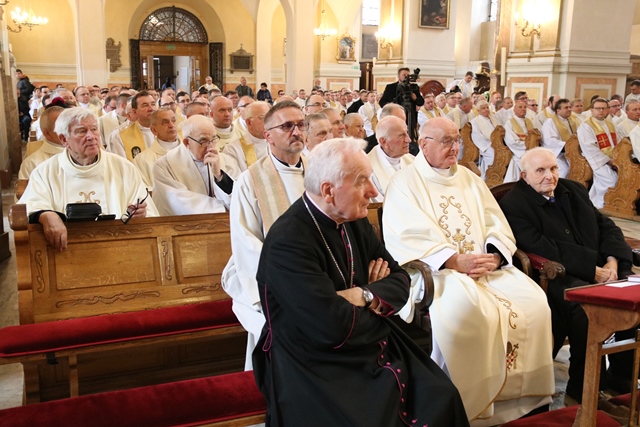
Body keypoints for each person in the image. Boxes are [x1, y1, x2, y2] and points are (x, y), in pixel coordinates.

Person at [253, 137, 469, 427]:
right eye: (361, 182)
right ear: (328, 191)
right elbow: (332, 326)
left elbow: (400, 280)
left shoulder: (353, 218)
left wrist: (363, 296)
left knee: (443, 396)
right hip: (312, 357)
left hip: (367, 342)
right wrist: (377, 303)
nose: (373, 191)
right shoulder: (288, 242)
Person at [382, 117, 554, 426]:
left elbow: (495, 221)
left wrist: (494, 255)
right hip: (440, 273)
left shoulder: (469, 179)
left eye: (457, 140)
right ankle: (470, 402)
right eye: (446, 141)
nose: (454, 147)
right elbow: (405, 235)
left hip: (485, 268)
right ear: (424, 145)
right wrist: (452, 261)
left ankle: (527, 397)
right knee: (469, 311)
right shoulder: (405, 182)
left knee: (535, 301)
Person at [498, 147, 636, 404]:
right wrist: (592, 271)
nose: (549, 176)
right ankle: (582, 391)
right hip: (555, 276)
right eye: (540, 170)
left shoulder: (574, 190)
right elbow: (542, 247)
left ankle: (622, 376)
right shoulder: (513, 204)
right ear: (524, 175)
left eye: (553, 168)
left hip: (603, 267)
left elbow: (606, 226)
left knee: (634, 297)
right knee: (585, 311)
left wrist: (613, 260)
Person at [221, 100, 308, 369]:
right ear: (268, 136)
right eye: (287, 126)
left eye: (301, 125)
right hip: (266, 273)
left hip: (316, 274)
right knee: (281, 323)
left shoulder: (320, 171)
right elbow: (246, 240)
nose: (296, 131)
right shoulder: (250, 181)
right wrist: (290, 275)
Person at [19, 108, 157, 252]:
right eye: (81, 131)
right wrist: (47, 215)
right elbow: (30, 206)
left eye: (94, 129)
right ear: (64, 139)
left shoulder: (124, 168)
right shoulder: (45, 172)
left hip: (118, 249)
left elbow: (148, 212)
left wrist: (139, 214)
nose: (91, 136)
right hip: (64, 252)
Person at [152, 115, 235, 216]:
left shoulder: (225, 160)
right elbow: (182, 203)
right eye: (203, 141)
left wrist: (219, 175)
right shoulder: (164, 166)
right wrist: (224, 208)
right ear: (187, 142)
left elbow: (239, 197)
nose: (210, 147)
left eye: (213, 139)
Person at [577, 97, 618, 208]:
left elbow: (617, 144)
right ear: (591, 110)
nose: (601, 111)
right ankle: (602, 205)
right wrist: (608, 161)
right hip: (597, 160)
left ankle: (594, 204)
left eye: (604, 108)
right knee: (611, 180)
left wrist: (618, 159)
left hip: (613, 160)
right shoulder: (586, 126)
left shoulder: (610, 124)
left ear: (608, 109)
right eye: (598, 108)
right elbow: (590, 148)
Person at [368, 116, 414, 202]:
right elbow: (376, 205)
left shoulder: (412, 160)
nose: (408, 140)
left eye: (407, 133)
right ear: (384, 142)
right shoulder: (368, 169)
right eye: (401, 136)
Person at [132, 108, 181, 188]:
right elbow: (143, 190)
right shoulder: (142, 160)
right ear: (154, 130)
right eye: (165, 122)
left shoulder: (191, 152)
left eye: (173, 120)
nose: (171, 125)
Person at [18, 106, 66, 179]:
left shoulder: (81, 154)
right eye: (62, 127)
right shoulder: (32, 163)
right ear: (47, 133)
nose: (69, 131)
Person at [107, 91, 157, 160]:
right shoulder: (119, 136)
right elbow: (120, 164)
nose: (151, 109)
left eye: (153, 104)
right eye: (145, 105)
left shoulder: (166, 129)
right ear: (134, 112)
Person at [223, 101, 270, 172]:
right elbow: (235, 177)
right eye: (263, 118)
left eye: (271, 118)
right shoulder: (232, 150)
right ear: (249, 122)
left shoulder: (278, 144)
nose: (270, 122)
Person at [541, 98, 582, 178]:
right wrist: (567, 145)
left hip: (571, 152)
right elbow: (550, 141)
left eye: (570, 107)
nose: (569, 109)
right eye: (566, 107)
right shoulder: (550, 122)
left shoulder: (573, 121)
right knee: (565, 169)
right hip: (556, 153)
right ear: (558, 110)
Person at [503, 99, 534, 182]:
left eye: (524, 107)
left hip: (531, 149)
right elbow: (511, 141)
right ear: (514, 110)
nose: (523, 109)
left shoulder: (529, 121)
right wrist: (527, 146)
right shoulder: (509, 123)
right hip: (518, 152)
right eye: (520, 107)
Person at [470, 100, 498, 180]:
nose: (486, 110)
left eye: (487, 107)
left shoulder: (493, 119)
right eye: (483, 108)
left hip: (498, 143)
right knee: (493, 155)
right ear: (478, 111)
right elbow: (477, 136)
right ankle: (489, 177)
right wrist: (490, 144)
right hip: (487, 146)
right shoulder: (475, 121)